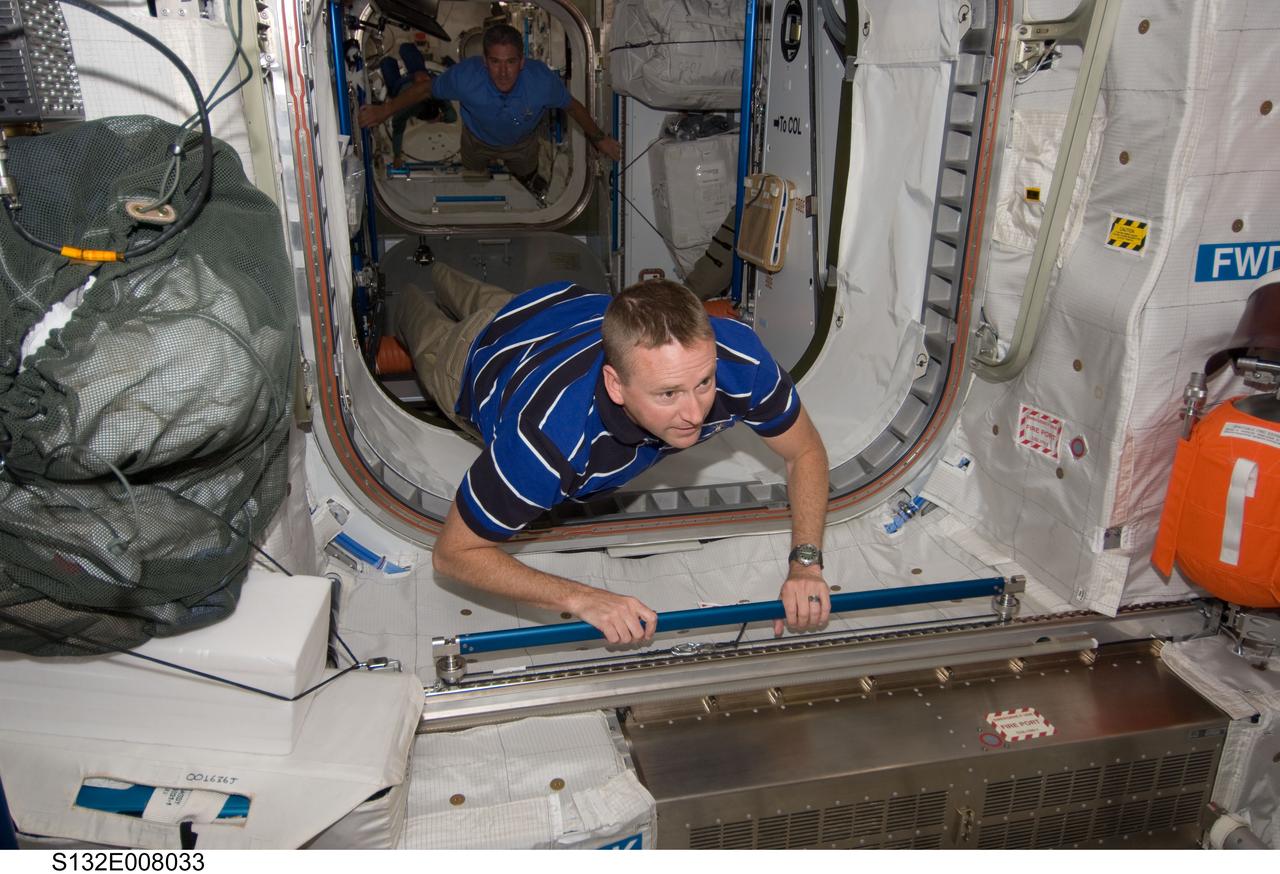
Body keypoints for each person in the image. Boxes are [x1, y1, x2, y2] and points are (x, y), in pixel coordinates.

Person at [397, 263, 831, 646]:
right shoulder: (550, 439)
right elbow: (454, 553)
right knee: (413, 304)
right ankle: (408, 283)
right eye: (668, 394)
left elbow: (805, 451)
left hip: (549, 308)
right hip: (476, 358)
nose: (694, 412)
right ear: (615, 384)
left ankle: (436, 266)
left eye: (703, 383)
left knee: (451, 278)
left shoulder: (740, 359)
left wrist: (806, 564)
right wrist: (584, 599)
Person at [358, 24, 621, 194]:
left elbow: (573, 108)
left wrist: (599, 140)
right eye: (495, 62)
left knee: (525, 169)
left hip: (521, 143)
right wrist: (383, 112)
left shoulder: (541, 81)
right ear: (484, 61)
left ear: (522, 62)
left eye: (510, 62)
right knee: (475, 172)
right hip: (477, 141)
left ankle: (527, 180)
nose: (503, 72)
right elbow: (424, 89)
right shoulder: (465, 77)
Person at [377, 42, 456, 167]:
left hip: (420, 76)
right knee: (386, 63)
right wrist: (397, 156)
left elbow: (452, 116)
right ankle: (386, 59)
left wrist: (440, 117)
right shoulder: (406, 109)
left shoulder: (438, 94)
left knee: (406, 49)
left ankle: (403, 48)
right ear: (418, 116)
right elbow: (397, 132)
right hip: (401, 86)